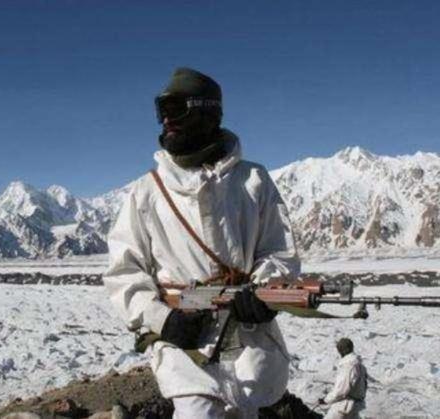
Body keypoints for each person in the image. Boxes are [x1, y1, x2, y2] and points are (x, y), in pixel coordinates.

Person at [104, 67, 300, 418]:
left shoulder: (253, 180)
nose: (166, 119)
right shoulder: (146, 192)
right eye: (162, 110)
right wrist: (162, 320)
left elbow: (278, 249)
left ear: (209, 112)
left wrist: (265, 292)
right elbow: (124, 272)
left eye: (176, 108)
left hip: (249, 343)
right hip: (186, 349)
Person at [318, 338, 367, 419]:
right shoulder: (360, 365)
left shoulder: (348, 365)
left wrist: (326, 400)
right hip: (356, 407)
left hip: (344, 406)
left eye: (339, 349)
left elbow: (341, 390)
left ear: (343, 350)